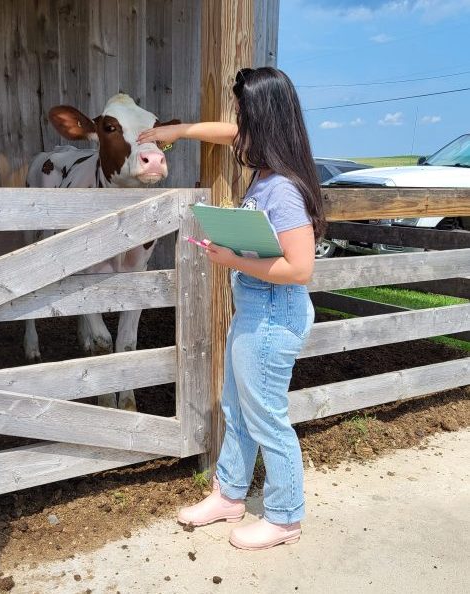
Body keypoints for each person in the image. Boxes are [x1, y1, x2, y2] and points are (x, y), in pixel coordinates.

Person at [138, 67, 326, 551]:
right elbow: (227, 134)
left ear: (262, 119)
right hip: (257, 311)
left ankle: (285, 517)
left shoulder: (281, 187)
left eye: (243, 113)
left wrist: (233, 258)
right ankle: (229, 495)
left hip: (273, 314)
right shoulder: (265, 170)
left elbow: (301, 268)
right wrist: (177, 132)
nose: (237, 124)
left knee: (266, 417)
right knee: (237, 410)